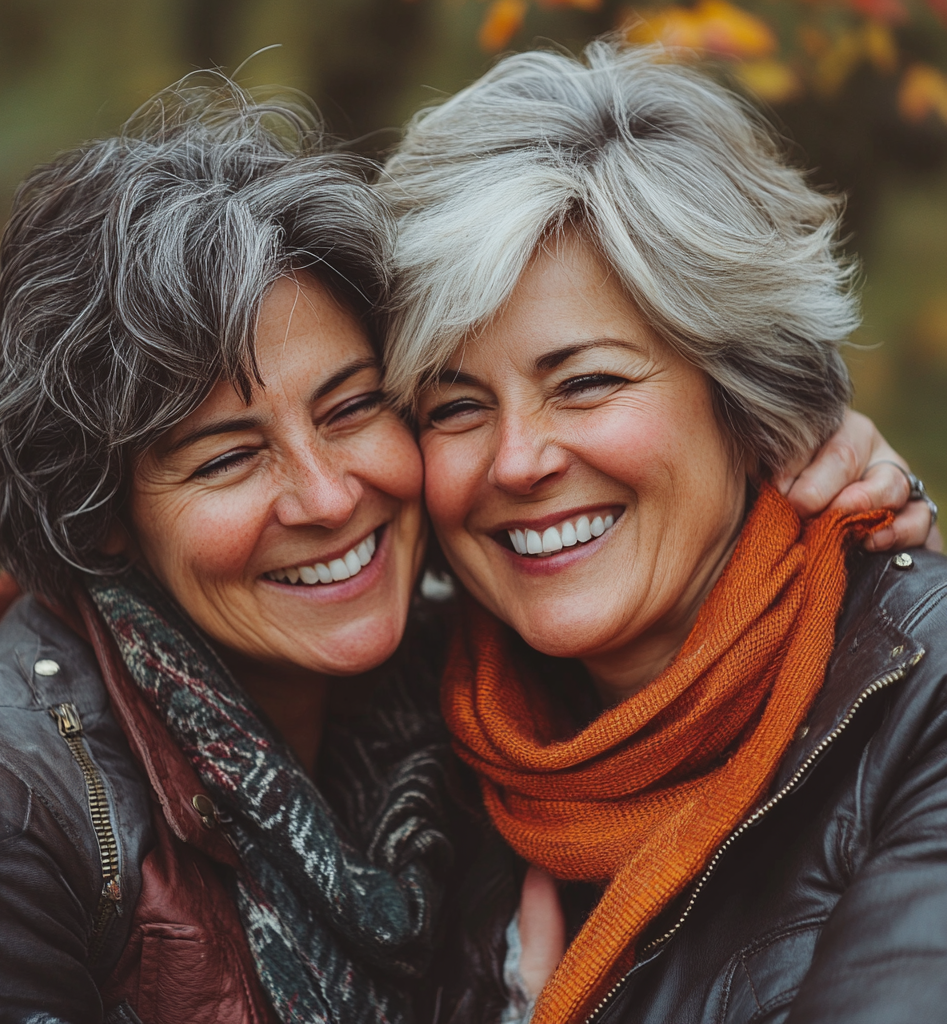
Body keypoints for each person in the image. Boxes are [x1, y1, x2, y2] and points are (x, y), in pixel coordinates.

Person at [0, 71, 931, 1024]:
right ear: (100, 512)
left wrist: (816, 464)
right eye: (229, 457)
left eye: (355, 406)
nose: (329, 496)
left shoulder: (475, 684)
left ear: (738, 394)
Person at [380, 38, 947, 1024]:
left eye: (586, 382)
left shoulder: (920, 706)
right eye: (455, 406)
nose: (517, 461)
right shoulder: (406, 728)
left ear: (743, 397)